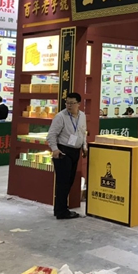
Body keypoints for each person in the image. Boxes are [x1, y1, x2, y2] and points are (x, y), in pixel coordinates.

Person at [46, 92, 88, 220]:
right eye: (67, 103)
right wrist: (55, 149)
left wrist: (84, 146)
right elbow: (51, 135)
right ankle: (61, 211)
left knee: (69, 181)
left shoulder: (82, 116)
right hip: (63, 151)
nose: (69, 105)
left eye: (72, 103)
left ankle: (61, 208)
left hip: (75, 151)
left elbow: (83, 132)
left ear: (79, 104)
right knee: (63, 183)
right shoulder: (61, 116)